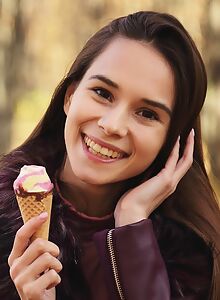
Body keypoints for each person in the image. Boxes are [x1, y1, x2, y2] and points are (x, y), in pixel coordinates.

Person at [0, 10, 219, 300]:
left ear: (171, 141)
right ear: (70, 96)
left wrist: (132, 227)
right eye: (103, 93)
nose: (113, 125)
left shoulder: (193, 256)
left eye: (146, 113)